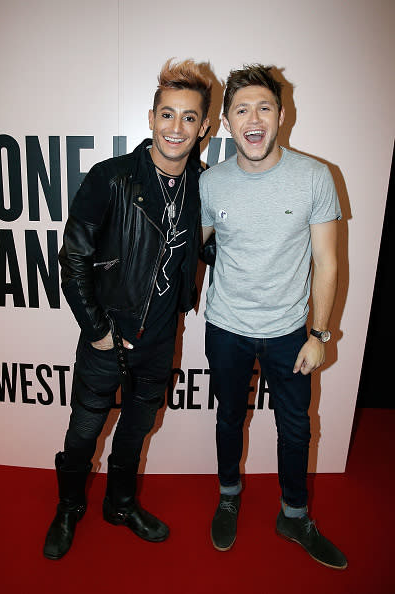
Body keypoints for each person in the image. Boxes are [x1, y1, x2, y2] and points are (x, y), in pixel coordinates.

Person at [43, 58, 211, 560]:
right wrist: (98, 333)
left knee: (137, 429)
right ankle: (69, 507)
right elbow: (73, 259)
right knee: (84, 430)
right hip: (106, 337)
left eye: (188, 118)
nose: (176, 128)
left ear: (203, 126)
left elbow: (206, 250)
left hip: (160, 339)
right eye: (167, 114)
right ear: (151, 118)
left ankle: (119, 504)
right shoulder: (111, 178)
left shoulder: (206, 187)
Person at [200, 64, 347, 569]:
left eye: (264, 107)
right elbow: (183, 250)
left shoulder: (314, 176)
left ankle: (294, 513)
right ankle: (228, 494)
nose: (254, 118)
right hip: (226, 328)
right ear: (226, 123)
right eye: (242, 109)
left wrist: (320, 334)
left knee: (297, 429)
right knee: (227, 418)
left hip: (289, 333)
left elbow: (327, 260)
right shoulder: (211, 182)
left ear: (282, 116)